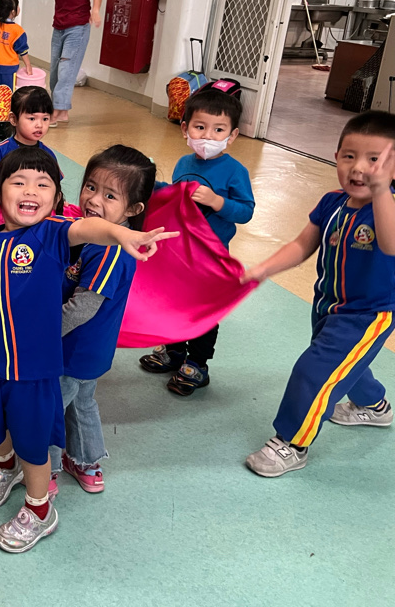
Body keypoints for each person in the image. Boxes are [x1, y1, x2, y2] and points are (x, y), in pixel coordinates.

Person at [0, 147, 176, 554]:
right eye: (19, 182)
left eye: (43, 184)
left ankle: (39, 509)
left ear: (55, 200)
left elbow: (90, 230)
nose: (30, 191)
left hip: (34, 373)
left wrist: (123, 234)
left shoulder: (52, 236)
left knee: (35, 443)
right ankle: (5, 465)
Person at [244, 111, 395, 478]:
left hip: (369, 314)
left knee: (313, 371)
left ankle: (292, 443)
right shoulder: (332, 202)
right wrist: (264, 269)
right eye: (349, 156)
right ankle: (375, 406)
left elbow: (390, 245)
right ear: (336, 156)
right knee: (345, 363)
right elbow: (302, 245)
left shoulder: (388, 208)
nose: (359, 168)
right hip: (328, 305)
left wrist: (381, 191)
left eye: (374, 160)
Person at [138, 88, 254, 395]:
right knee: (174, 303)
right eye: (200, 127)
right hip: (179, 253)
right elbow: (175, 195)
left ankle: (198, 363)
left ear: (232, 135)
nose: (208, 136)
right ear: (185, 128)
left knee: (202, 310)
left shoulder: (235, 171)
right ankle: (174, 351)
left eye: (219, 130)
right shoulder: (183, 163)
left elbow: (246, 211)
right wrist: (154, 186)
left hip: (210, 258)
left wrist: (217, 202)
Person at [55, 145, 156, 494]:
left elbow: (82, 308)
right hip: (90, 352)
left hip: (73, 350)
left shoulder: (110, 249)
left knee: (50, 409)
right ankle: (87, 462)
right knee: (81, 403)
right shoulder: (90, 233)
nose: (94, 200)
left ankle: (43, 471)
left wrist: (41, 334)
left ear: (133, 209)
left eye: (110, 195)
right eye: (90, 186)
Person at [0, 86, 58, 228]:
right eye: (32, 118)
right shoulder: (2, 151)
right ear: (13, 119)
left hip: (35, 214)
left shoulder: (48, 154)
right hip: (6, 216)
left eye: (45, 119)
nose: (39, 125)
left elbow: (54, 186)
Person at [45, 0, 103, 125]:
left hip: (78, 28)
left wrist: (95, 10)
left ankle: (56, 111)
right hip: (58, 27)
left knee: (66, 70)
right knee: (55, 71)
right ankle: (62, 112)